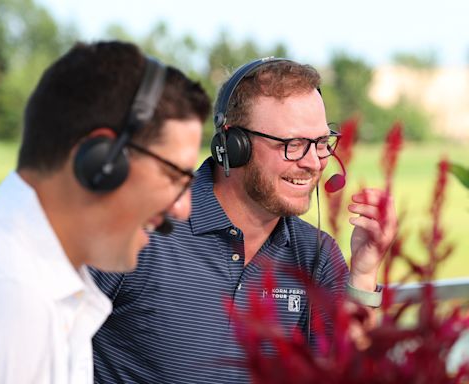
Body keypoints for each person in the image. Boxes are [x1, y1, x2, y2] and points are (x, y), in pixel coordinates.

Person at [91, 57, 398, 384]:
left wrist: (364, 274)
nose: (313, 163)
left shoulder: (316, 254)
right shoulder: (139, 229)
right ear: (232, 146)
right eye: (292, 145)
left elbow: (349, 373)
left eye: (321, 143)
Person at [0, 41, 210, 383]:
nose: (183, 208)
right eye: (173, 176)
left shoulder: (41, 281)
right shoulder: (8, 296)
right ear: (104, 160)